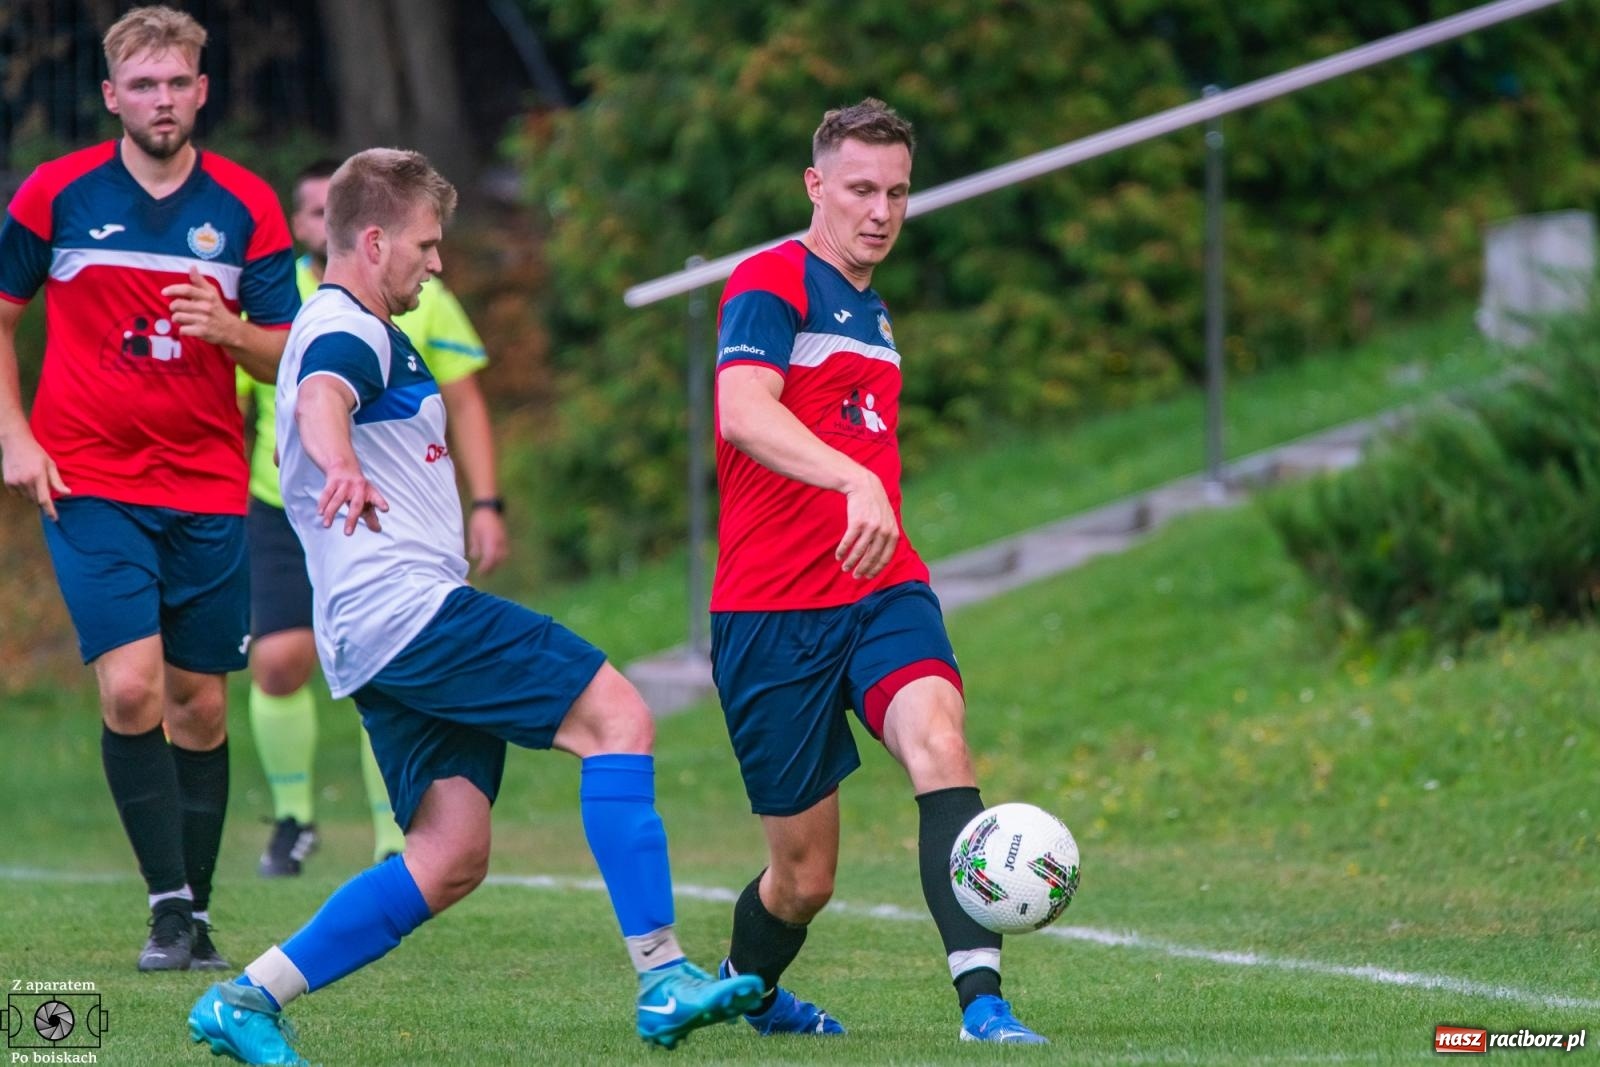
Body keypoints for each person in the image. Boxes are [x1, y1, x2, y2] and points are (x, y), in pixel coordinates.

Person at [186, 148, 763, 1064]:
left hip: (375, 632)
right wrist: (336, 457)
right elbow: (325, 394)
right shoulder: (349, 328)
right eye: (426, 243)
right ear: (373, 242)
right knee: (619, 718)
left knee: (450, 852)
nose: (439, 261)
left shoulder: (348, 320)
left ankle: (246, 996)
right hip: (411, 612)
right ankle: (663, 974)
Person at [708, 98, 1048, 1044]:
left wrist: (868, 500)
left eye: (898, 192)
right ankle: (746, 983)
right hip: (771, 611)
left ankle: (984, 1004)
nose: (882, 211)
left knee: (941, 740)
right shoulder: (771, 280)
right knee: (804, 879)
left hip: (881, 587)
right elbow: (742, 409)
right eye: (861, 189)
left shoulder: (874, 308)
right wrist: (855, 474)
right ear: (816, 185)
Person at [0, 5, 298, 972]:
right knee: (131, 688)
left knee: (199, 705)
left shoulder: (248, 204)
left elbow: (284, 353)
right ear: (111, 97)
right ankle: (169, 910)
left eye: (177, 83)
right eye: (144, 85)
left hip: (210, 484)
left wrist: (231, 330)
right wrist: (13, 437)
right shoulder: (55, 194)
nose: (162, 100)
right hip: (89, 479)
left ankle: (197, 913)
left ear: (201, 90)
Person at [241, 159, 510, 877]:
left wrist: (486, 500)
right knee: (280, 660)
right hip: (288, 502)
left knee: (383, 661)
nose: (435, 260)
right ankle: (293, 818)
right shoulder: (284, 298)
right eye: (301, 210)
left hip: (368, 507)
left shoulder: (417, 293)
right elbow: (312, 388)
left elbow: (466, 399)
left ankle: (395, 832)